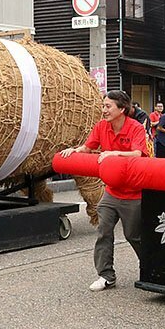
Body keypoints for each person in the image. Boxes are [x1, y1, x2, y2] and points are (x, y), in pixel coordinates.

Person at [59, 90, 148, 292]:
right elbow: (88, 147)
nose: (104, 110)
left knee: (134, 236)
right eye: (103, 105)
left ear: (122, 109)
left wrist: (114, 153)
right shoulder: (101, 127)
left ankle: (151, 268)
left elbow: (137, 153)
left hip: (133, 193)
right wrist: (75, 151)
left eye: (108, 106)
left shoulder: (135, 128)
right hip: (111, 192)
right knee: (103, 232)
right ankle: (106, 275)